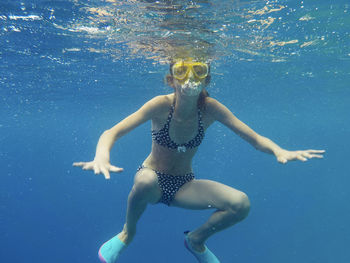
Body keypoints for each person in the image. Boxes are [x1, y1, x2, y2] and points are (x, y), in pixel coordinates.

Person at [73, 58, 325, 263]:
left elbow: (255, 138)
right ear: (171, 80)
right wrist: (101, 156)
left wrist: (279, 151)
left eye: (198, 70)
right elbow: (111, 132)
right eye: (181, 71)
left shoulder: (212, 108)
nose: (190, 78)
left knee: (241, 204)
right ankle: (127, 233)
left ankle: (196, 240)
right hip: (151, 179)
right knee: (145, 181)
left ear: (207, 79)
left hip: (184, 185)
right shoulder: (160, 105)